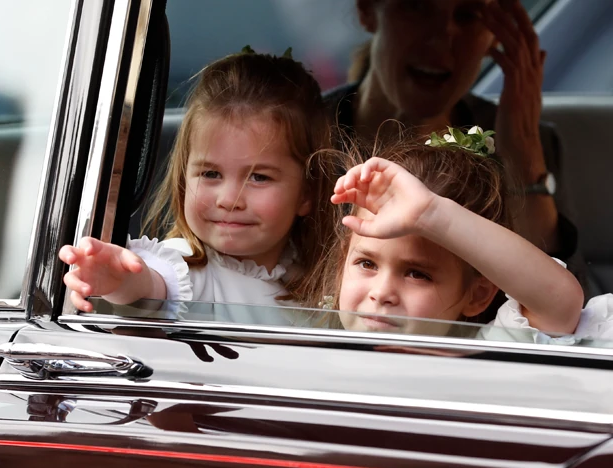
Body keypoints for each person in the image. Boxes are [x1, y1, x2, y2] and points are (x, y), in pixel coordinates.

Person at [323, 0, 588, 293]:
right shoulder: (303, 127)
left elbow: (569, 308)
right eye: (417, 8)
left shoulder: (523, 141)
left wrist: (522, 159)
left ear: (495, 36)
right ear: (367, 10)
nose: (441, 38)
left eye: (468, 15)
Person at [58, 49, 336, 314]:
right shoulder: (186, 268)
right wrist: (119, 281)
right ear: (183, 178)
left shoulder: (317, 275)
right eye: (211, 174)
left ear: (306, 194)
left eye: (259, 177)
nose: (229, 200)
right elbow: (150, 288)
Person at [321, 129, 613, 344]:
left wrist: (431, 215)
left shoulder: (487, 357)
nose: (382, 293)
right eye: (367, 264)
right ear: (341, 265)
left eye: (417, 274)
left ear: (478, 295)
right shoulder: (306, 344)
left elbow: (559, 302)